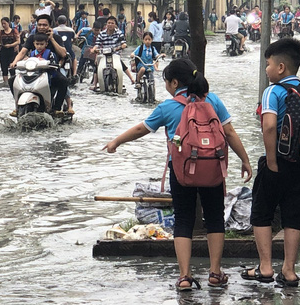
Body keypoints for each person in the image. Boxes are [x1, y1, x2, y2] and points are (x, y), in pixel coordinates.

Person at [104, 58, 252, 290]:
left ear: (174, 82)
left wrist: (116, 141)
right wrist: (245, 160)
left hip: (182, 170)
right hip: (212, 168)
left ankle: (185, 276)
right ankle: (215, 272)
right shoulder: (212, 100)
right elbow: (230, 132)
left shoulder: (168, 106)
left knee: (183, 219)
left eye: (166, 82)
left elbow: (142, 128)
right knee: (214, 217)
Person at [243, 39, 300, 287]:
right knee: (294, 216)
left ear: (281, 68)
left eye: (268, 64)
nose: (266, 70)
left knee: (261, 213)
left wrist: (271, 161)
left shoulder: (274, 91)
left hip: (277, 162)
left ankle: (266, 267)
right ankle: (289, 271)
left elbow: (269, 125)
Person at [10, 15, 68, 115]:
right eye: (39, 25)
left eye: (44, 25)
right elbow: (23, 52)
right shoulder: (32, 38)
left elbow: (63, 54)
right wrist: (15, 62)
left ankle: (56, 108)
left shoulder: (57, 38)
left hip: (51, 71)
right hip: (33, 71)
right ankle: (17, 106)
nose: (41, 27)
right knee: (12, 80)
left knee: (63, 81)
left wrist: (52, 39)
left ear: (50, 26)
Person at [91, 16, 134, 87]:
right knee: (96, 64)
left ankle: (132, 79)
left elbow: (123, 42)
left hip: (115, 54)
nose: (110, 24)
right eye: (109, 23)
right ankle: (94, 84)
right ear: (106, 24)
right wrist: (94, 49)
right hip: (104, 54)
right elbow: (97, 44)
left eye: (112, 23)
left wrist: (122, 46)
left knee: (121, 64)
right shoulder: (101, 34)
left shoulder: (119, 33)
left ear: (115, 25)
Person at [0, 17, 20, 84]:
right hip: (3, 52)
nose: (3, 25)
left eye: (5, 23)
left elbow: (18, 41)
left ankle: (13, 83)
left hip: (12, 52)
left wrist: (11, 45)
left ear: (8, 23)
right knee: (4, 69)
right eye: (2, 24)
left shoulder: (14, 31)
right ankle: (6, 84)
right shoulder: (1, 32)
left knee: (12, 68)